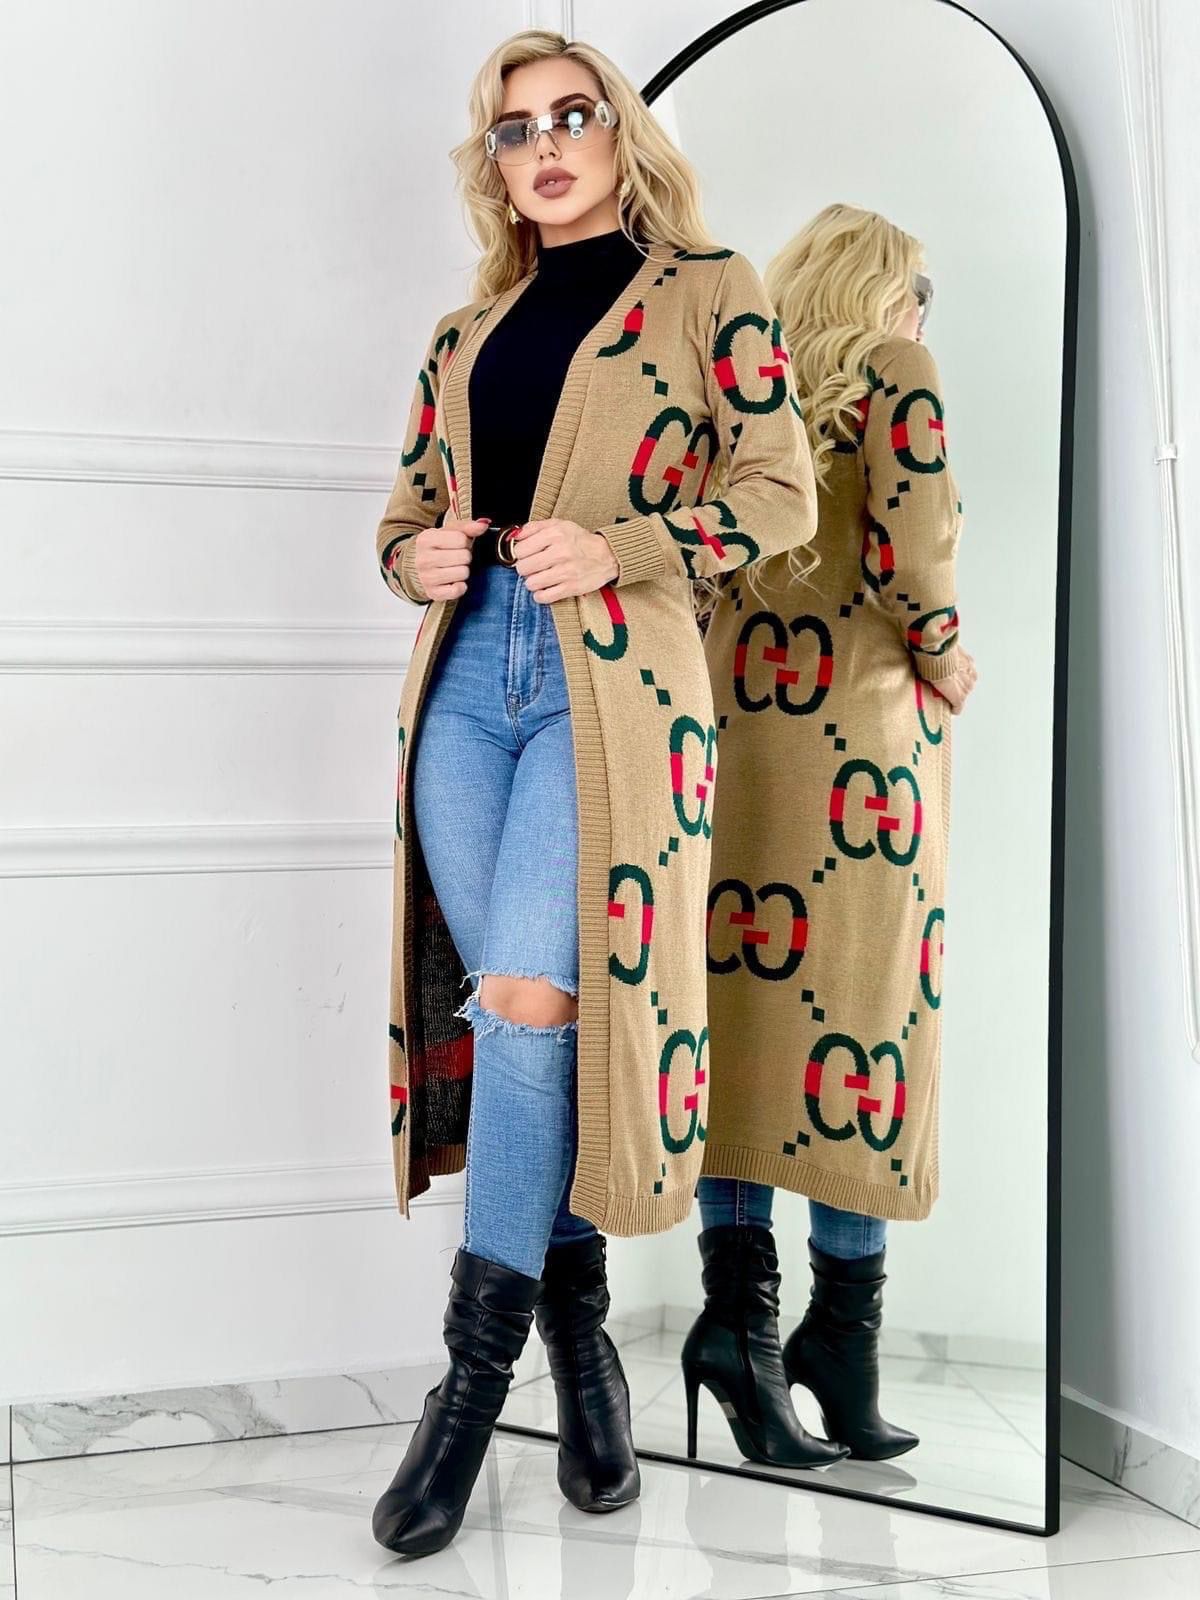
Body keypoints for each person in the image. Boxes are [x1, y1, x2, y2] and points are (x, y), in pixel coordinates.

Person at [368, 29, 819, 1558]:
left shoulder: (712, 291)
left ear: (622, 133)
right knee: (522, 1027)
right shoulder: (464, 330)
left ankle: (464, 1395)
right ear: (493, 164)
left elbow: (779, 493)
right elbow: (404, 517)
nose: (547, 146)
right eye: (516, 130)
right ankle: (580, 1343)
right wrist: (420, 556)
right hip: (463, 683)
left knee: (531, 997)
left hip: (613, 685)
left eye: (574, 116)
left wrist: (621, 545)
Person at [686, 203, 977, 1467]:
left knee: (742, 1035)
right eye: (919, 289)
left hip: (733, 741)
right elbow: (917, 553)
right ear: (885, 291)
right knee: (869, 1027)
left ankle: (744, 1335)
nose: (921, 313)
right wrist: (948, 656)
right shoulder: (901, 370)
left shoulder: (743, 397)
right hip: (860, 747)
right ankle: (839, 1340)